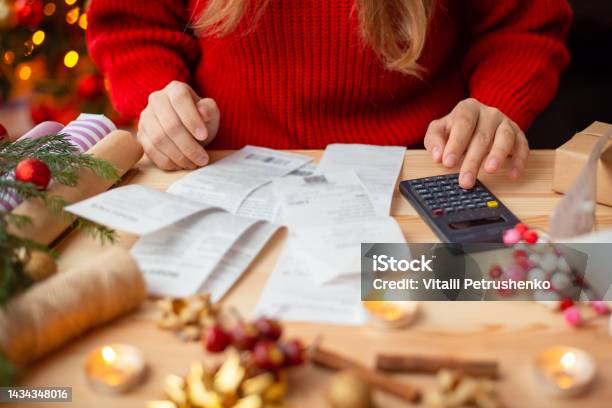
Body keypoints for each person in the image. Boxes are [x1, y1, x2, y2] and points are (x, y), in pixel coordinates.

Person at [87, 0, 571, 188]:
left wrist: (494, 106)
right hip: (223, 173)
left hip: (425, 175)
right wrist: (159, 95)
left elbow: (523, 27)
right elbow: (133, 24)